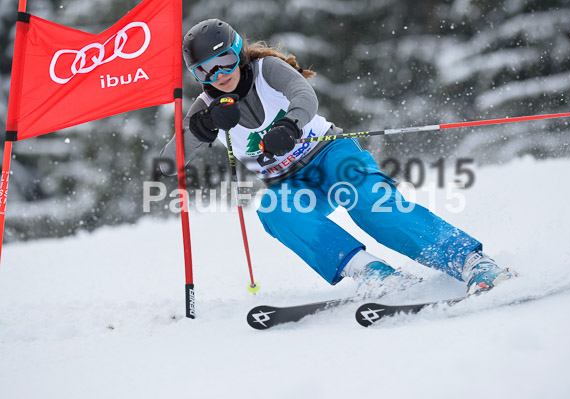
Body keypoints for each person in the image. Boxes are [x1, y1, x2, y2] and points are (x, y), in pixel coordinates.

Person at [160, 19, 516, 297]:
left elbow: (304, 96)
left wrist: (290, 126)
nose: (219, 76)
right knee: (274, 211)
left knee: (368, 202)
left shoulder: (267, 70)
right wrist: (201, 128)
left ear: (238, 52)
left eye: (224, 62)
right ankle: (374, 273)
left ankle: (471, 262)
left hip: (330, 153)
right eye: (205, 71)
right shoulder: (205, 108)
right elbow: (167, 164)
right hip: (290, 182)